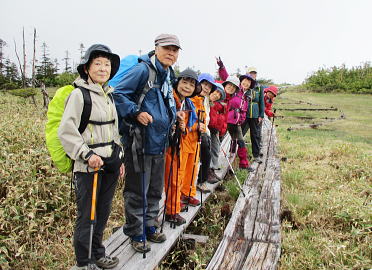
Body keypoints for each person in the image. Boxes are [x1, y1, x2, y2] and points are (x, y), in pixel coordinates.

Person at [58, 44, 124, 270]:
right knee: (88, 215)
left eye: (107, 64)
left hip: (109, 164)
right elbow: (66, 131)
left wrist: (119, 158)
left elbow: (114, 130)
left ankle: (98, 253)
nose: (103, 68)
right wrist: (86, 155)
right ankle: (84, 262)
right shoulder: (79, 95)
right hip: (88, 166)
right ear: (87, 68)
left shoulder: (108, 95)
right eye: (98, 63)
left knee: (103, 212)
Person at [113, 34, 180, 253]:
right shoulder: (143, 70)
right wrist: (136, 113)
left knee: (154, 189)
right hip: (140, 141)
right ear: (156, 48)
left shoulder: (167, 74)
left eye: (175, 49)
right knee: (137, 190)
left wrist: (174, 117)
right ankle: (136, 232)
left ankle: (150, 225)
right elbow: (118, 94)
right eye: (167, 48)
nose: (171, 53)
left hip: (159, 142)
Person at [164, 68, 200, 225]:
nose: (187, 87)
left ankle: (173, 210)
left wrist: (183, 127)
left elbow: (186, 128)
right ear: (177, 82)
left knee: (175, 177)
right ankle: (171, 211)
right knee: (172, 179)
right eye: (184, 82)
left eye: (191, 85)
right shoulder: (169, 97)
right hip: (166, 144)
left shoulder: (187, 103)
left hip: (177, 144)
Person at [224, 75, 254, 171]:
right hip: (227, 120)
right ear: (241, 82)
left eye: (248, 83)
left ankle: (243, 164)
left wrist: (241, 120)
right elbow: (226, 77)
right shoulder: (236, 90)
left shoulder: (246, 97)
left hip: (236, 122)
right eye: (245, 81)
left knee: (240, 141)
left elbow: (244, 111)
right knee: (220, 140)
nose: (246, 84)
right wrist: (221, 67)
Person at [240, 70, 265, 163]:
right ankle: (235, 151)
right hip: (244, 113)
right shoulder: (245, 86)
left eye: (254, 73)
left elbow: (262, 102)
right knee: (240, 133)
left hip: (255, 114)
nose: (253, 75)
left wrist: (261, 115)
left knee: (255, 135)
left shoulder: (259, 87)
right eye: (251, 73)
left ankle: (256, 155)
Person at [206, 83, 227, 189]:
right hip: (207, 129)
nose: (217, 95)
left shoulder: (216, 104)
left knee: (215, 149)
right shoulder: (205, 101)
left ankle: (212, 170)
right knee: (207, 152)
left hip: (214, 130)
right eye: (216, 92)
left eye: (219, 94)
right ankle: (207, 172)